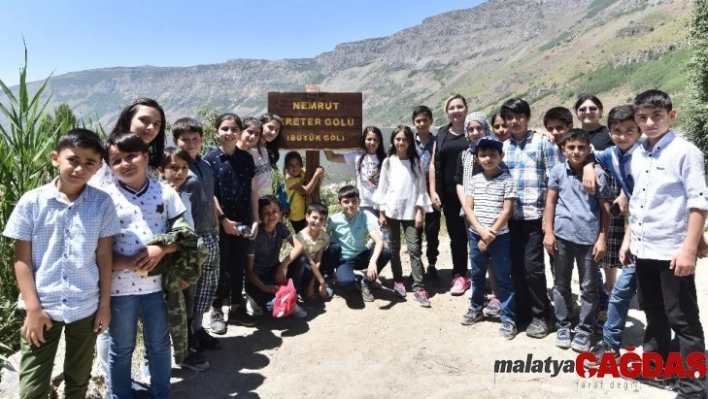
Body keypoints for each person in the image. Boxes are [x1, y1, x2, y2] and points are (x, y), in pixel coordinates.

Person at [2, 129, 120, 399]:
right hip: (42, 307)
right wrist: (33, 308)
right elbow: (22, 259)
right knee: (32, 388)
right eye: (73, 159)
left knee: (78, 380)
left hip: (86, 306)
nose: (80, 168)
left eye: (90, 163)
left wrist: (104, 306)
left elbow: (104, 257)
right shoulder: (32, 202)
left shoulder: (102, 203)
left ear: (99, 167)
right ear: (55, 158)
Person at [619, 90, 708, 397]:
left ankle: (694, 386)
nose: (649, 123)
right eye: (642, 117)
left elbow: (698, 203)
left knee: (682, 319)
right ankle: (656, 369)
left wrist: (689, 248)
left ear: (672, 115)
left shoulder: (685, 152)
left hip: (672, 251)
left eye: (656, 116)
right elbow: (639, 199)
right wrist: (629, 238)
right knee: (653, 311)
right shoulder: (639, 152)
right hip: (645, 248)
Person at [102, 131, 187, 398]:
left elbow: (185, 237)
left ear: (146, 157)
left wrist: (162, 248)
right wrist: (127, 262)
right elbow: (97, 251)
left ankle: (162, 394)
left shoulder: (166, 193)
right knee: (121, 347)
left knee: (160, 345)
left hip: (157, 287)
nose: (125, 164)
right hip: (118, 289)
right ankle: (119, 395)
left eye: (131, 156)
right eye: (116, 160)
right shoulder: (103, 198)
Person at [544, 129, 610, 352]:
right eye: (571, 147)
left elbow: (605, 210)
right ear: (563, 149)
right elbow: (551, 203)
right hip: (562, 236)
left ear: (588, 149)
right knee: (560, 284)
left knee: (589, 287)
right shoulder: (557, 172)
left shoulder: (598, 175)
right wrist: (549, 232)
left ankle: (585, 329)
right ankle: (563, 324)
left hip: (589, 239)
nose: (576, 151)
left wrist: (602, 238)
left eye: (581, 147)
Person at [501, 98, 559, 338]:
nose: (514, 122)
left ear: (527, 117)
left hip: (535, 217)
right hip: (510, 219)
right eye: (510, 118)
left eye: (519, 116)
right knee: (514, 267)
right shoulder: (502, 147)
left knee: (533, 268)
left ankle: (542, 314)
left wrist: (548, 223)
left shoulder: (542, 144)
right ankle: (522, 312)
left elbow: (553, 182)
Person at [157, 146, 210, 371]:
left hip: (185, 260)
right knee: (167, 310)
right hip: (166, 263)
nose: (179, 173)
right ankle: (164, 355)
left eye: (184, 168)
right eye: (173, 168)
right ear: (161, 169)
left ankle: (186, 349)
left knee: (187, 305)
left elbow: (191, 229)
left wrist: (194, 263)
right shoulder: (157, 196)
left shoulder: (186, 194)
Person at [206, 113, 259, 334]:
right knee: (220, 267)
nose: (229, 133)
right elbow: (210, 194)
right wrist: (222, 220)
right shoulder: (209, 159)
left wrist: (255, 219)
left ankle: (236, 308)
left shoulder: (246, 158)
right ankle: (216, 309)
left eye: (234, 129)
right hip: (220, 224)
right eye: (225, 128)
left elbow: (253, 190)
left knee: (239, 266)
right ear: (217, 131)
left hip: (243, 220)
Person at [460, 136, 517, 340]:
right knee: (476, 275)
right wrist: (481, 232)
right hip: (476, 236)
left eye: (493, 154)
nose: (488, 158)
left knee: (503, 278)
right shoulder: (474, 181)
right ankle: (476, 308)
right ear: (476, 158)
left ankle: (508, 318)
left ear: (501, 156)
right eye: (483, 155)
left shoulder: (507, 180)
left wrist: (490, 234)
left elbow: (507, 211)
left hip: (499, 238)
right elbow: (468, 208)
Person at [172, 117, 222, 350]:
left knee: (207, 285)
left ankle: (198, 329)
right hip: (192, 237)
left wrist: (216, 222)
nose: (190, 143)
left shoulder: (206, 166)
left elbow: (210, 197)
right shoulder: (178, 169)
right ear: (176, 141)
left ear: (202, 140)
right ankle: (187, 338)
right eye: (185, 139)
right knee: (190, 288)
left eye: (195, 139)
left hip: (210, 232)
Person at [373, 125, 433, 307]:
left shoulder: (416, 162)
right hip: (391, 211)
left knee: (414, 249)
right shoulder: (388, 162)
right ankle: (398, 280)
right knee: (394, 248)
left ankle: (419, 286)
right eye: (397, 139)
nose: (401, 142)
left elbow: (421, 189)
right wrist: (382, 212)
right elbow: (382, 188)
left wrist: (420, 211)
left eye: (404, 139)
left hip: (410, 212)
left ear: (409, 142)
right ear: (393, 141)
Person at [575, 94, 618, 323]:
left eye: (593, 108)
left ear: (601, 111)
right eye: (583, 108)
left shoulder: (609, 135)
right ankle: (598, 291)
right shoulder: (575, 136)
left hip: (608, 195)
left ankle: (611, 291)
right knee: (590, 249)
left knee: (609, 249)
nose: (588, 112)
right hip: (582, 199)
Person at [429, 94, 471, 295]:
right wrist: (433, 191)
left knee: (478, 234)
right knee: (457, 237)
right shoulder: (442, 133)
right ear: (447, 111)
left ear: (466, 108)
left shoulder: (474, 130)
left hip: (474, 193)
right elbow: (433, 163)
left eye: (459, 106)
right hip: (450, 194)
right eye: (452, 107)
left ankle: (482, 276)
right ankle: (460, 275)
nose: (456, 110)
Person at [322, 185, 392, 302]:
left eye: (354, 201)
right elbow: (324, 238)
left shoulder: (363, 217)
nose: (350, 205)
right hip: (344, 259)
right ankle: (338, 278)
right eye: (346, 202)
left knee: (386, 252)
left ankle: (366, 281)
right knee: (346, 283)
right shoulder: (333, 220)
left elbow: (379, 241)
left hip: (361, 255)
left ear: (359, 202)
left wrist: (372, 262)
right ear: (339, 203)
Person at [245, 195, 309, 319]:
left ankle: (290, 296)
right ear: (259, 215)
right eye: (266, 213)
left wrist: (283, 265)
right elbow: (249, 270)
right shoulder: (255, 235)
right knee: (277, 310)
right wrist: (264, 288)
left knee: (300, 259)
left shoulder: (280, 227)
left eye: (274, 211)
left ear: (280, 213)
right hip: (258, 279)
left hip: (274, 271)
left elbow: (299, 246)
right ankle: (254, 298)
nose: (271, 215)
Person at [324, 126, 386, 217]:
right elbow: (331, 157)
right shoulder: (356, 156)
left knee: (384, 231)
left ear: (379, 142)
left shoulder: (386, 158)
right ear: (364, 140)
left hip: (382, 205)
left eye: (375, 139)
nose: (372, 142)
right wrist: (323, 140)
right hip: (364, 205)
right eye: (369, 139)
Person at [412, 105, 442, 285]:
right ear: (413, 123)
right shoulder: (408, 142)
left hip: (432, 193)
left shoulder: (437, 141)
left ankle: (432, 264)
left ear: (431, 121)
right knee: (415, 231)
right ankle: (417, 267)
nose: (422, 124)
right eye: (418, 121)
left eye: (425, 120)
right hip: (413, 195)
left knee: (432, 230)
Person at [293, 203, 333, 301]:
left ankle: (319, 282)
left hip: (315, 266)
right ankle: (299, 288)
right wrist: (321, 281)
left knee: (334, 248)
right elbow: (309, 261)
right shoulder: (300, 237)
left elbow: (318, 260)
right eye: (314, 217)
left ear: (325, 221)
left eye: (321, 219)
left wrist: (313, 282)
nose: (317, 221)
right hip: (304, 265)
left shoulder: (325, 237)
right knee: (303, 263)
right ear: (307, 217)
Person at [283, 151, 325, 233]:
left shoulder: (302, 173)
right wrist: (316, 175)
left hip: (306, 211)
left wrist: (320, 174)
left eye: (297, 164)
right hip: (297, 216)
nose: (295, 168)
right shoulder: (290, 181)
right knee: (302, 236)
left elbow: (315, 181)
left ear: (301, 165)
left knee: (310, 233)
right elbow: (306, 190)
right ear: (286, 167)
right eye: (291, 165)